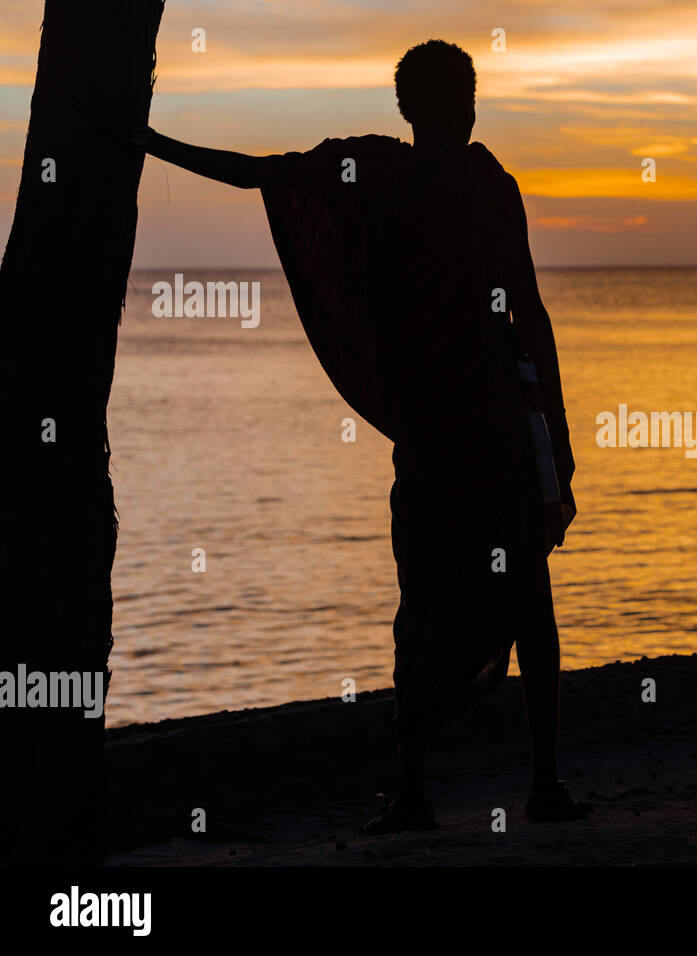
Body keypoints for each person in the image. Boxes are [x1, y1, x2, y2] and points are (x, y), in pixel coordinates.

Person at [136, 39, 589, 829]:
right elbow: (532, 314)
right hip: (489, 429)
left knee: (426, 602)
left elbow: (261, 173)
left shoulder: (379, 174)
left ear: (409, 109)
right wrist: (558, 427)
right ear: (463, 105)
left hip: (445, 432)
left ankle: (417, 792)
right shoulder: (479, 186)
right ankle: (540, 786)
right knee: (523, 599)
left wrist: (148, 141)